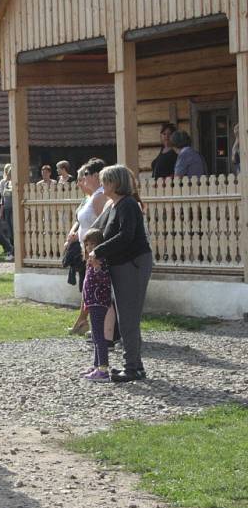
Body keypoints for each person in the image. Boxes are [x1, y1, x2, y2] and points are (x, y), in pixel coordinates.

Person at [89, 165, 153, 382]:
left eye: (105, 181)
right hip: (121, 264)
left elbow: (126, 236)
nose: (102, 185)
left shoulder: (128, 205)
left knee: (128, 318)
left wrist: (98, 250)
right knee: (126, 317)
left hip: (132, 263)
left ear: (115, 183)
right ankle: (136, 365)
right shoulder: (114, 205)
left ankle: (132, 367)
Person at [64, 158, 107, 335]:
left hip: (95, 249)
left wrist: (96, 249)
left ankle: (92, 323)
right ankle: (82, 321)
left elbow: (101, 226)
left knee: (94, 288)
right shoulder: (92, 196)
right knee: (88, 287)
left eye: (86, 175)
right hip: (87, 249)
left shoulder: (99, 196)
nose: (84, 179)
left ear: (96, 175)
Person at [79, 228, 116, 382]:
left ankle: (103, 369)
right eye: (87, 245)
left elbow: (105, 280)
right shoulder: (89, 262)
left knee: (99, 336)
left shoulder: (101, 262)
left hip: (99, 302)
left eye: (92, 244)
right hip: (92, 302)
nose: (89, 248)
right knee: (95, 335)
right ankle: (96, 365)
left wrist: (97, 267)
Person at [0, 164, 14, 247]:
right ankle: (11, 248)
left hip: (14, 209)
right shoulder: (6, 183)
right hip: (6, 209)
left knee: (14, 229)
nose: (10, 175)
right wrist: (1, 211)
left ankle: (15, 248)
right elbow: (2, 199)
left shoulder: (16, 184)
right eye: (9, 173)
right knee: (8, 230)